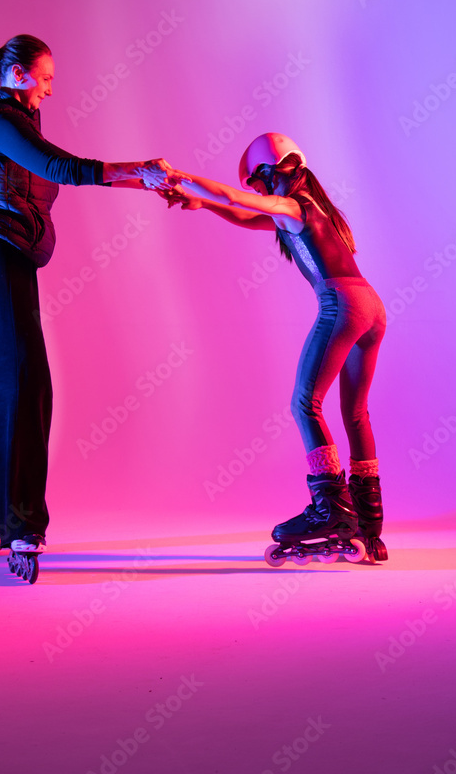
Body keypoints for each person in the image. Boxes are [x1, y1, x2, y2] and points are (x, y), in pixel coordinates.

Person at [0, 33, 181, 565]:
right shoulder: (2, 122)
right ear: (19, 76)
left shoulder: (11, 122)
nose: (50, 92)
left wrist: (145, 181)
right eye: (47, 79)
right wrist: (137, 169)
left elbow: (63, 173)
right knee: (23, 390)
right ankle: (20, 529)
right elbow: (65, 168)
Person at [159, 133, 387, 562]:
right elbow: (244, 216)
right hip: (372, 306)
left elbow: (237, 199)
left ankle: (332, 510)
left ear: (273, 172)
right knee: (355, 413)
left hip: (343, 303)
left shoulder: (293, 204)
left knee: (305, 404)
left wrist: (180, 177)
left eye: (259, 186)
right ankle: (370, 528)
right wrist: (201, 203)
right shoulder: (319, 209)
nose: (258, 195)